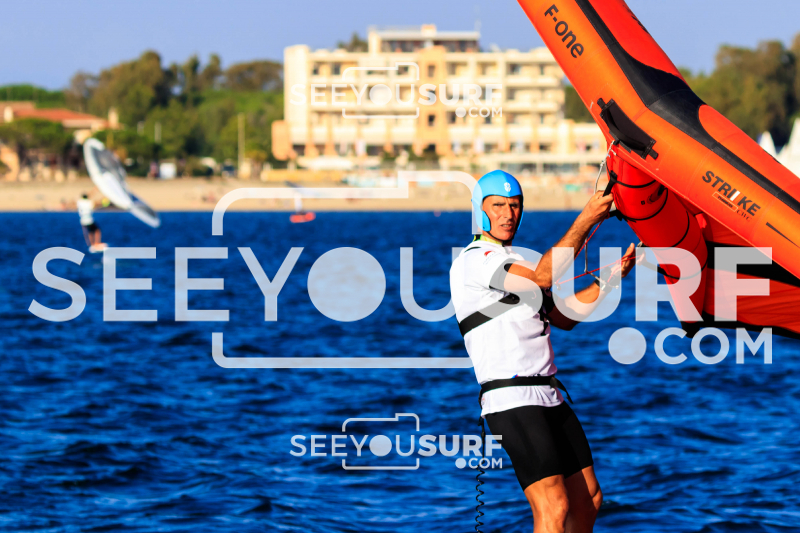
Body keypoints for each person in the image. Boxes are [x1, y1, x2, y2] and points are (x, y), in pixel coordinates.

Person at [449, 170, 636, 533]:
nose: (508, 214)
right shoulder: (476, 260)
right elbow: (543, 277)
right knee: (554, 505)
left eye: (515, 206)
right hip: (511, 398)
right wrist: (588, 217)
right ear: (478, 210)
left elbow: (563, 318)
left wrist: (613, 276)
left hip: (549, 395)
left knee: (588, 499)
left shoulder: (516, 261)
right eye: (497, 206)